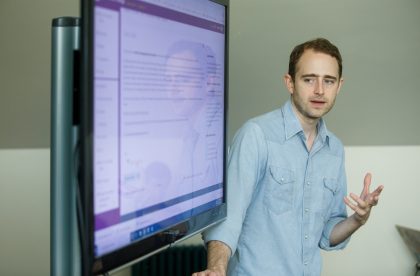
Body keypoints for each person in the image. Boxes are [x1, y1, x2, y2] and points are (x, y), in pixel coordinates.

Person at [192, 38, 384, 276]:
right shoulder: (256, 135)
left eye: (329, 81)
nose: (319, 90)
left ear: (339, 86)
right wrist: (217, 268)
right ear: (290, 83)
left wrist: (358, 219)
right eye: (309, 79)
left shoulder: (334, 149)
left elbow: (327, 234)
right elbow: (228, 219)